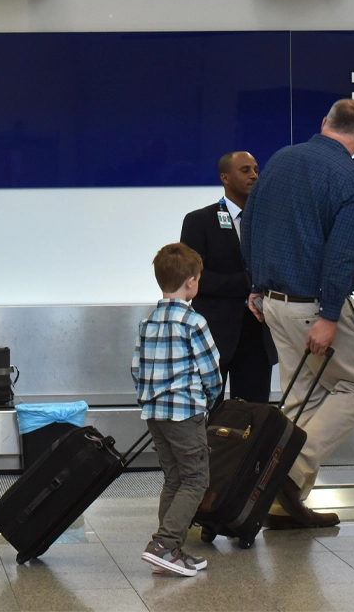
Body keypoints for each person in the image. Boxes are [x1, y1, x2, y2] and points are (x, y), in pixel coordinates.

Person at [241, 98, 354, 530]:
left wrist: (256, 286)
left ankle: (284, 504)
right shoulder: (353, 180)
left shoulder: (280, 160)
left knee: (302, 396)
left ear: (323, 124)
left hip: (272, 304)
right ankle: (286, 472)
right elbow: (341, 257)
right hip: (314, 306)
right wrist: (331, 314)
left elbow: (248, 224)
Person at [133, 242, 222, 577]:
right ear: (191, 282)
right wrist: (208, 401)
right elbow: (211, 370)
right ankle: (165, 544)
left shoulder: (148, 323)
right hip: (185, 412)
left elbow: (136, 370)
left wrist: (149, 400)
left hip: (155, 413)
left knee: (174, 477)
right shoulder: (193, 322)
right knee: (196, 478)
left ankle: (169, 552)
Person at [180, 151, 276, 403]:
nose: (254, 175)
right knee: (208, 418)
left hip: (258, 335)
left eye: (256, 169)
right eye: (245, 170)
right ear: (225, 177)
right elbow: (192, 279)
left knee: (254, 418)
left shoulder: (269, 221)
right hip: (213, 336)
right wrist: (248, 284)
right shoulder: (199, 221)